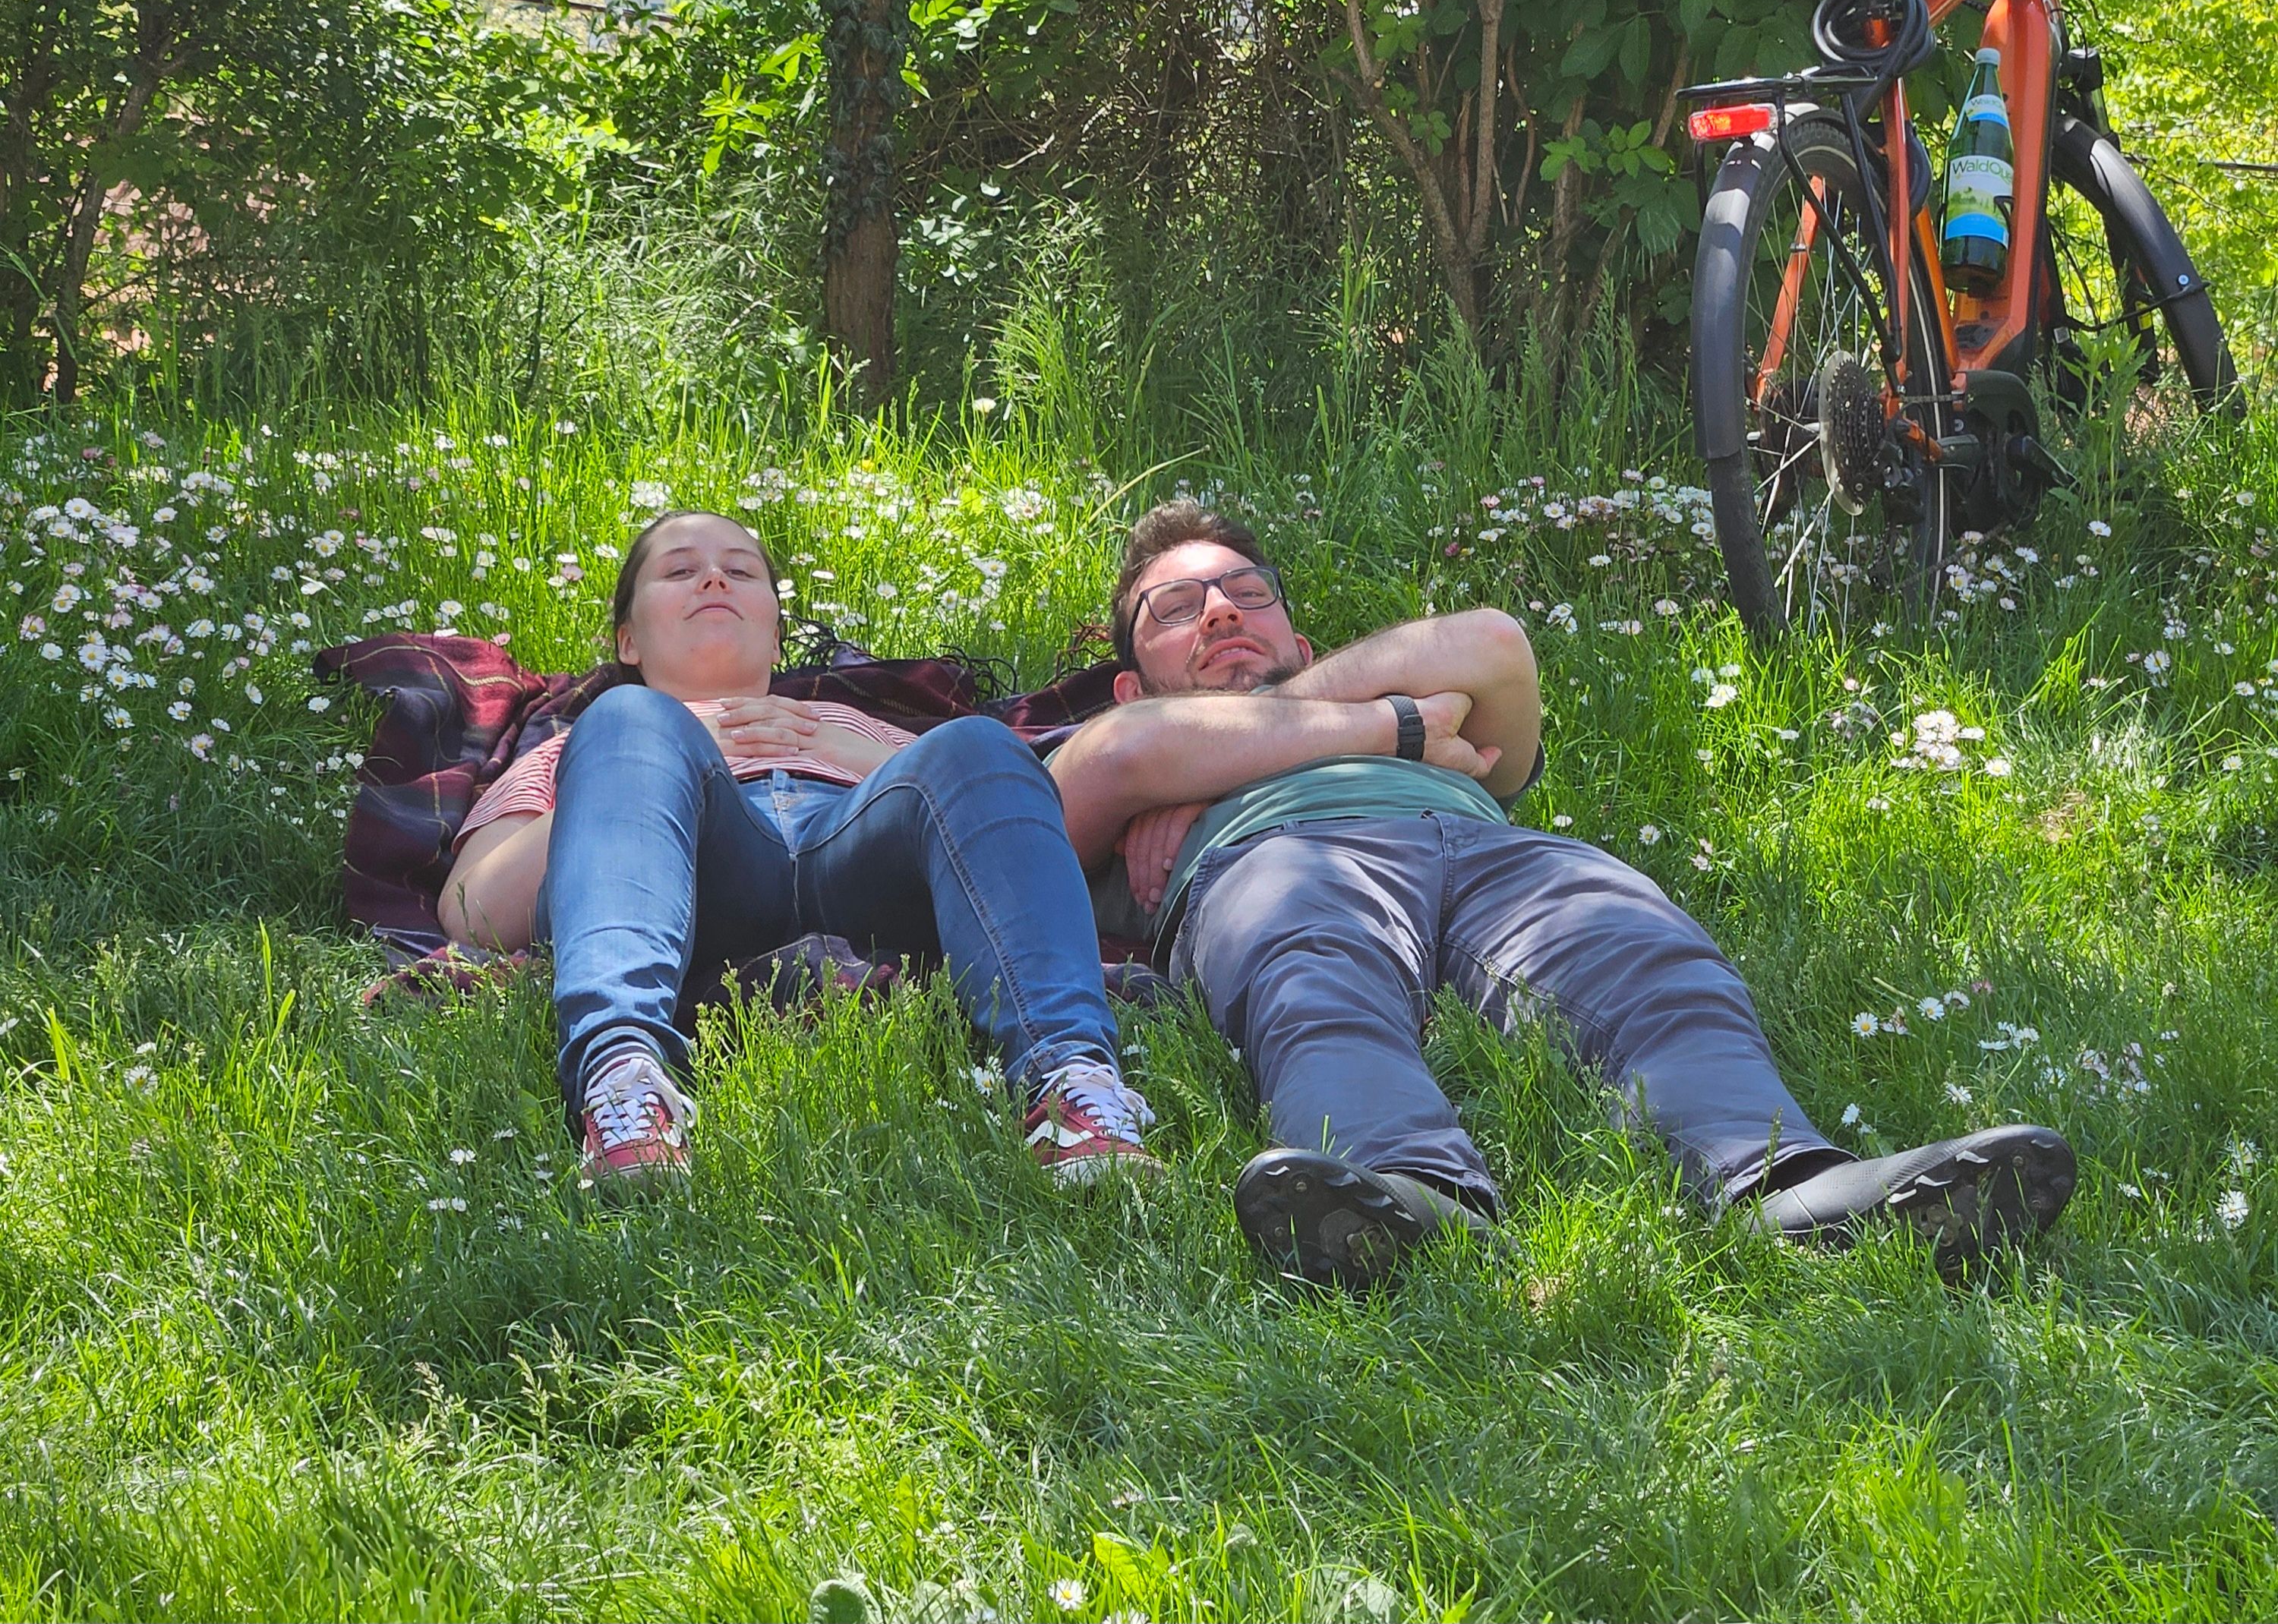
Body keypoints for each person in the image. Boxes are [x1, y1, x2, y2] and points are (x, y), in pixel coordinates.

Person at [1048, 500, 2076, 1288]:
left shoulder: (1279, 714)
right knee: (1312, 966)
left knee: (1646, 953)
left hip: (1492, 851)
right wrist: (1407, 723)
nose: (1223, 607)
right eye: (1176, 608)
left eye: (1247, 590)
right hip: (1281, 861)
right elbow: (1101, 769)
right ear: (1132, 680)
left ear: (1305, 646)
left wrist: (1232, 743)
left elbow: (1492, 642)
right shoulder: (1146, 729)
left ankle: (1786, 1186)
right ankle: (1407, 1196)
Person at [444, 507, 1154, 1190]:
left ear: (778, 636)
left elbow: (1015, 844)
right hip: (698, 887)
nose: (715, 581)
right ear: (628, 640)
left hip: (866, 872)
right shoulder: (592, 740)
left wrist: (853, 748)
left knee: (982, 742)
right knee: (631, 717)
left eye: (741, 572)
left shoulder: (864, 725)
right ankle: (626, 1084)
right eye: (681, 569)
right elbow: (471, 907)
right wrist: (647, 760)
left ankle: (1071, 1086)